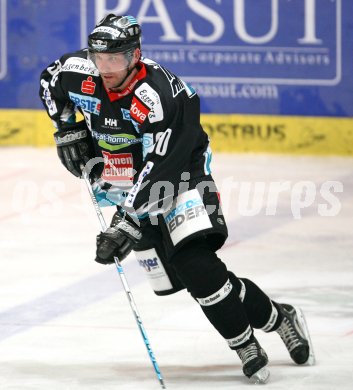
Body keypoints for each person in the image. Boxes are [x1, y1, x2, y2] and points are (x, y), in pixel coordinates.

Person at [39, 14, 315, 384]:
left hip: (182, 178)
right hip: (125, 183)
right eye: (99, 59)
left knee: (196, 266)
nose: (105, 69)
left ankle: (245, 345)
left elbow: (162, 167)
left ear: (135, 55)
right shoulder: (79, 71)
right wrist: (68, 129)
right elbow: (49, 80)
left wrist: (126, 224)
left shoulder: (159, 95)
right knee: (174, 279)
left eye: (115, 60)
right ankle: (280, 317)